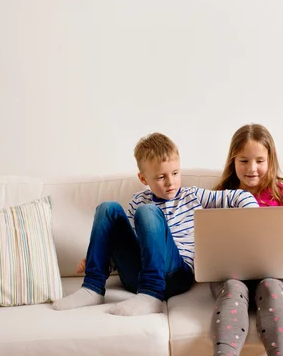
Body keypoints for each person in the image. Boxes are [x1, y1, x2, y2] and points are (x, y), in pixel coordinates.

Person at [53, 132, 258, 316]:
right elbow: (129, 245)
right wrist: (101, 259)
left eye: (175, 173)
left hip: (175, 275)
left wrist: (253, 214)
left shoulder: (192, 195)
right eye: (161, 177)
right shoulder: (137, 201)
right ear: (143, 178)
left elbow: (237, 196)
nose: (170, 182)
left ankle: (152, 294)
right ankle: (92, 288)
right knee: (108, 208)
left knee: (149, 211)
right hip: (137, 276)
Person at [210, 124, 283, 356]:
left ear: (270, 160)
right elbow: (209, 242)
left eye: (260, 161)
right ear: (232, 161)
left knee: (270, 286)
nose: (252, 168)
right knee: (234, 288)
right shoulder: (220, 196)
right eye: (244, 161)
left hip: (275, 275)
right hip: (231, 274)